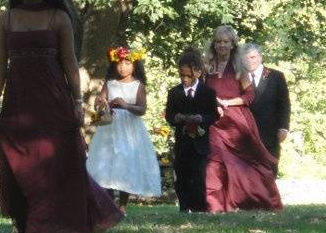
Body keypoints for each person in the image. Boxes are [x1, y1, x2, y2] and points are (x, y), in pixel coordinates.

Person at [0, 0, 123, 233]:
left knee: (54, 161)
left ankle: (45, 226)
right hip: (18, 99)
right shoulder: (6, 18)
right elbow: (0, 62)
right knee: (22, 162)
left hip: (53, 97)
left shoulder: (58, 17)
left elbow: (70, 63)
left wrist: (77, 100)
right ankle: (27, 221)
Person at [203, 25, 282, 212]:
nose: (222, 45)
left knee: (245, 163)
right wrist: (214, 104)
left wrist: (227, 103)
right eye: (218, 41)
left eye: (226, 42)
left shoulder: (240, 67)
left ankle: (254, 199)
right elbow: (203, 93)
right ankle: (214, 206)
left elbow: (249, 96)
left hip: (236, 122)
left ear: (232, 45)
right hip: (214, 122)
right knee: (215, 162)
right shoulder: (208, 66)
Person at [86, 46, 162, 209]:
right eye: (119, 63)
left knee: (126, 162)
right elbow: (100, 103)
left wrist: (126, 105)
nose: (123, 67)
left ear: (135, 65)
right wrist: (100, 103)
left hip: (129, 130)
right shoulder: (110, 83)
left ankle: (123, 205)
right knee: (106, 161)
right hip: (109, 128)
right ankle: (107, 202)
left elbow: (142, 109)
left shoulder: (138, 85)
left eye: (127, 63)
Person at [165, 48, 218, 212]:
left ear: (198, 72)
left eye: (188, 75)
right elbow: (169, 115)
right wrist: (177, 118)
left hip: (200, 142)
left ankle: (199, 207)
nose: (185, 79)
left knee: (198, 175)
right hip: (182, 142)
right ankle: (184, 206)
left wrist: (201, 119)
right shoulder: (174, 93)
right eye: (182, 75)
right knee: (181, 175)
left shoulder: (208, 92)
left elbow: (213, 115)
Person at [243, 43, 291, 175]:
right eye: (246, 58)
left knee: (269, 177)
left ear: (260, 57)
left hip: (269, 136)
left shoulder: (276, 77)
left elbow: (284, 104)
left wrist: (283, 127)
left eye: (253, 57)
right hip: (245, 138)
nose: (250, 61)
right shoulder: (239, 78)